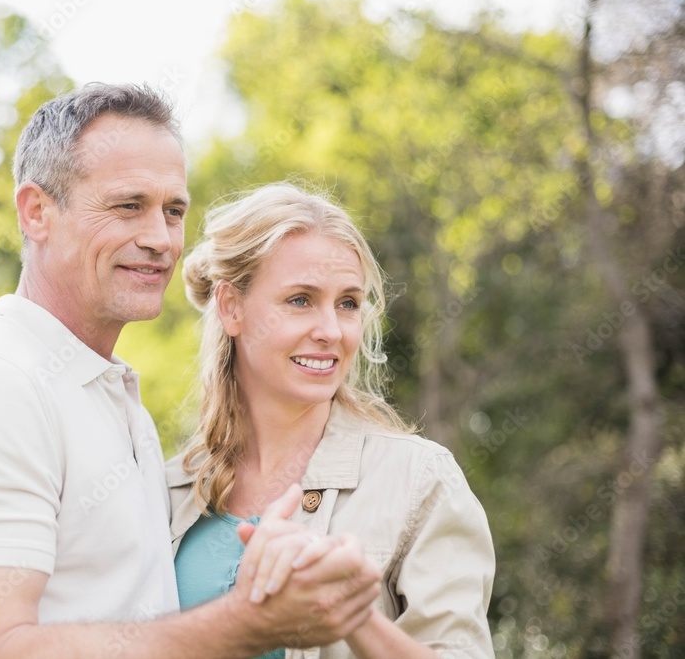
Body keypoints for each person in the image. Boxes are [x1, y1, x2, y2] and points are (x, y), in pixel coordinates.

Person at [0, 84, 381, 659]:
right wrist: (244, 624)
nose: (160, 240)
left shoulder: (112, 397)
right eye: (127, 206)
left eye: (173, 211)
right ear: (37, 211)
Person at [168, 182, 496, 658]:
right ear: (231, 306)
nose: (331, 331)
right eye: (300, 299)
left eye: (348, 303)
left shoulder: (419, 480)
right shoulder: (166, 492)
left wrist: (350, 615)